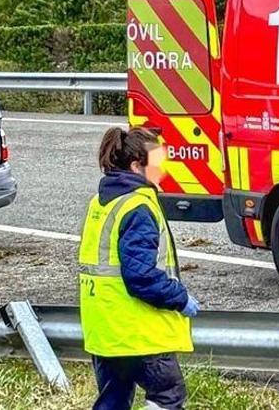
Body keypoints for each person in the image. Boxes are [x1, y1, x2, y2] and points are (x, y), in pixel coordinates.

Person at [79, 127, 198, 410]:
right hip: (139, 334)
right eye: (157, 165)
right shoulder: (138, 207)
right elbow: (140, 276)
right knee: (168, 396)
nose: (162, 173)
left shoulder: (102, 202)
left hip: (105, 332)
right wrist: (180, 298)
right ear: (136, 166)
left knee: (113, 401)